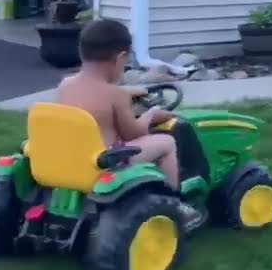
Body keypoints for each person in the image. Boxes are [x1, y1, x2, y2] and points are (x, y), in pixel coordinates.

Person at [55, 18, 204, 228]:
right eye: (125, 64)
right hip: (105, 163)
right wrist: (151, 114)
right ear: (120, 58)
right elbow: (133, 134)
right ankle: (174, 202)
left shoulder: (66, 84)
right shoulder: (115, 96)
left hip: (70, 156)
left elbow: (95, 99)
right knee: (166, 143)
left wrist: (129, 94)